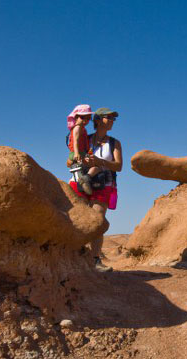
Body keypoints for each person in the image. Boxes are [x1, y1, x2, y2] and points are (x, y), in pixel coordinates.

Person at [69, 107, 122, 272]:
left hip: (103, 183)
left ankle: (95, 260)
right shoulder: (85, 137)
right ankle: (74, 257)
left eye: (114, 118)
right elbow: (69, 162)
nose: (112, 121)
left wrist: (100, 162)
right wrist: (81, 161)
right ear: (98, 120)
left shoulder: (114, 143)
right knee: (77, 218)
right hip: (80, 181)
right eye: (109, 117)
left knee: (98, 220)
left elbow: (119, 166)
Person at [66, 104, 95, 195]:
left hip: (80, 152)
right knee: (94, 166)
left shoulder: (83, 129)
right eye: (83, 118)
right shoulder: (77, 128)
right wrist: (77, 153)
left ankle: (83, 182)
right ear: (76, 117)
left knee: (82, 167)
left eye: (88, 118)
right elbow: (76, 140)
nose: (85, 121)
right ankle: (83, 182)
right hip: (76, 152)